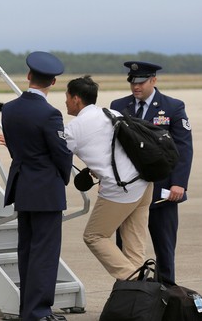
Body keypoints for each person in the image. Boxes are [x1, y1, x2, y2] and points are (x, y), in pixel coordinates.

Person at [1, 51, 72, 321]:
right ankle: (39, 312)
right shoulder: (49, 113)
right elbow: (61, 153)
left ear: (29, 76)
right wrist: (63, 177)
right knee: (45, 252)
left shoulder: (9, 109)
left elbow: (14, 146)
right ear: (53, 82)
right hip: (45, 189)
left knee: (27, 251)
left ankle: (27, 310)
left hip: (22, 186)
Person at [111, 61, 193, 284]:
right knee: (126, 247)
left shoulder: (173, 107)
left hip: (161, 190)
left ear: (153, 81)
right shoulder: (119, 106)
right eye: (132, 82)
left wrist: (179, 183)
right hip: (128, 190)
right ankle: (127, 293)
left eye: (141, 82)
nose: (135, 87)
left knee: (164, 247)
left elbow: (183, 148)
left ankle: (166, 295)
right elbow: (113, 147)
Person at [64, 76, 153, 280]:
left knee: (94, 236)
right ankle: (142, 298)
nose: (66, 101)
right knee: (134, 245)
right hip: (144, 182)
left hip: (122, 189)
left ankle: (136, 281)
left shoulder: (75, 128)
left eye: (67, 97)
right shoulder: (111, 113)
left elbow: (56, 156)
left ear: (76, 99)